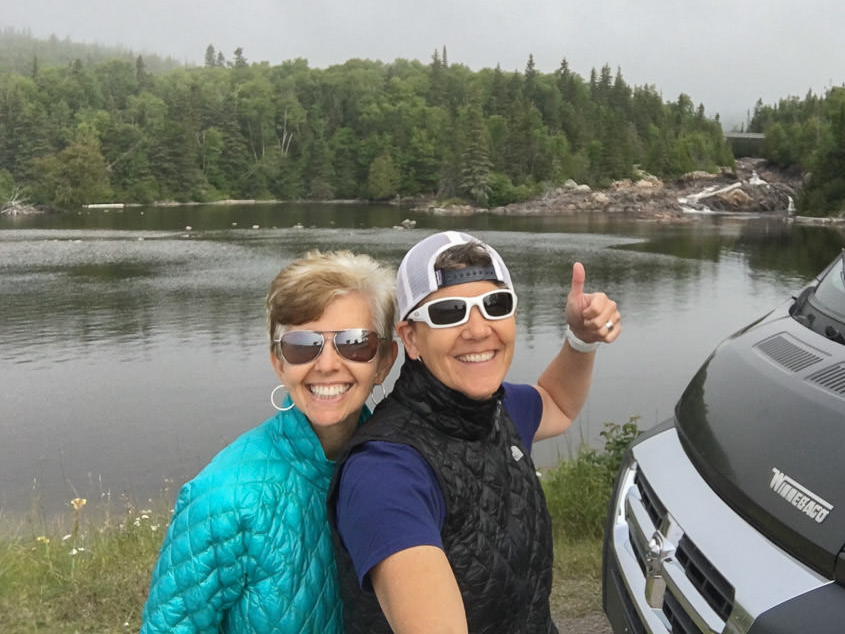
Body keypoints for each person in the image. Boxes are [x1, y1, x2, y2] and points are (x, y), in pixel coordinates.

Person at [329, 230, 620, 634]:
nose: (479, 329)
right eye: (449, 312)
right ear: (411, 338)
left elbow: (556, 402)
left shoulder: (497, 409)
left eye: (495, 305)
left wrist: (582, 341)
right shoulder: (385, 473)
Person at [140, 249, 399, 634]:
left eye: (354, 342)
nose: (327, 364)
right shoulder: (223, 498)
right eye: (302, 345)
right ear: (280, 363)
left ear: (383, 361)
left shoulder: (404, 473)